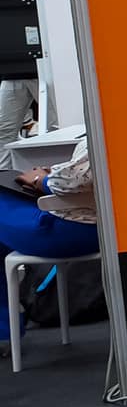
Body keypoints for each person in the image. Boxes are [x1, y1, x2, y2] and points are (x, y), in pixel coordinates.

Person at [0, 138, 97, 352]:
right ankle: (4, 330)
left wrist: (41, 179)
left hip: (71, 230)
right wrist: (53, 172)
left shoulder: (109, 131)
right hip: (93, 226)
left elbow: (73, 180)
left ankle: (5, 329)